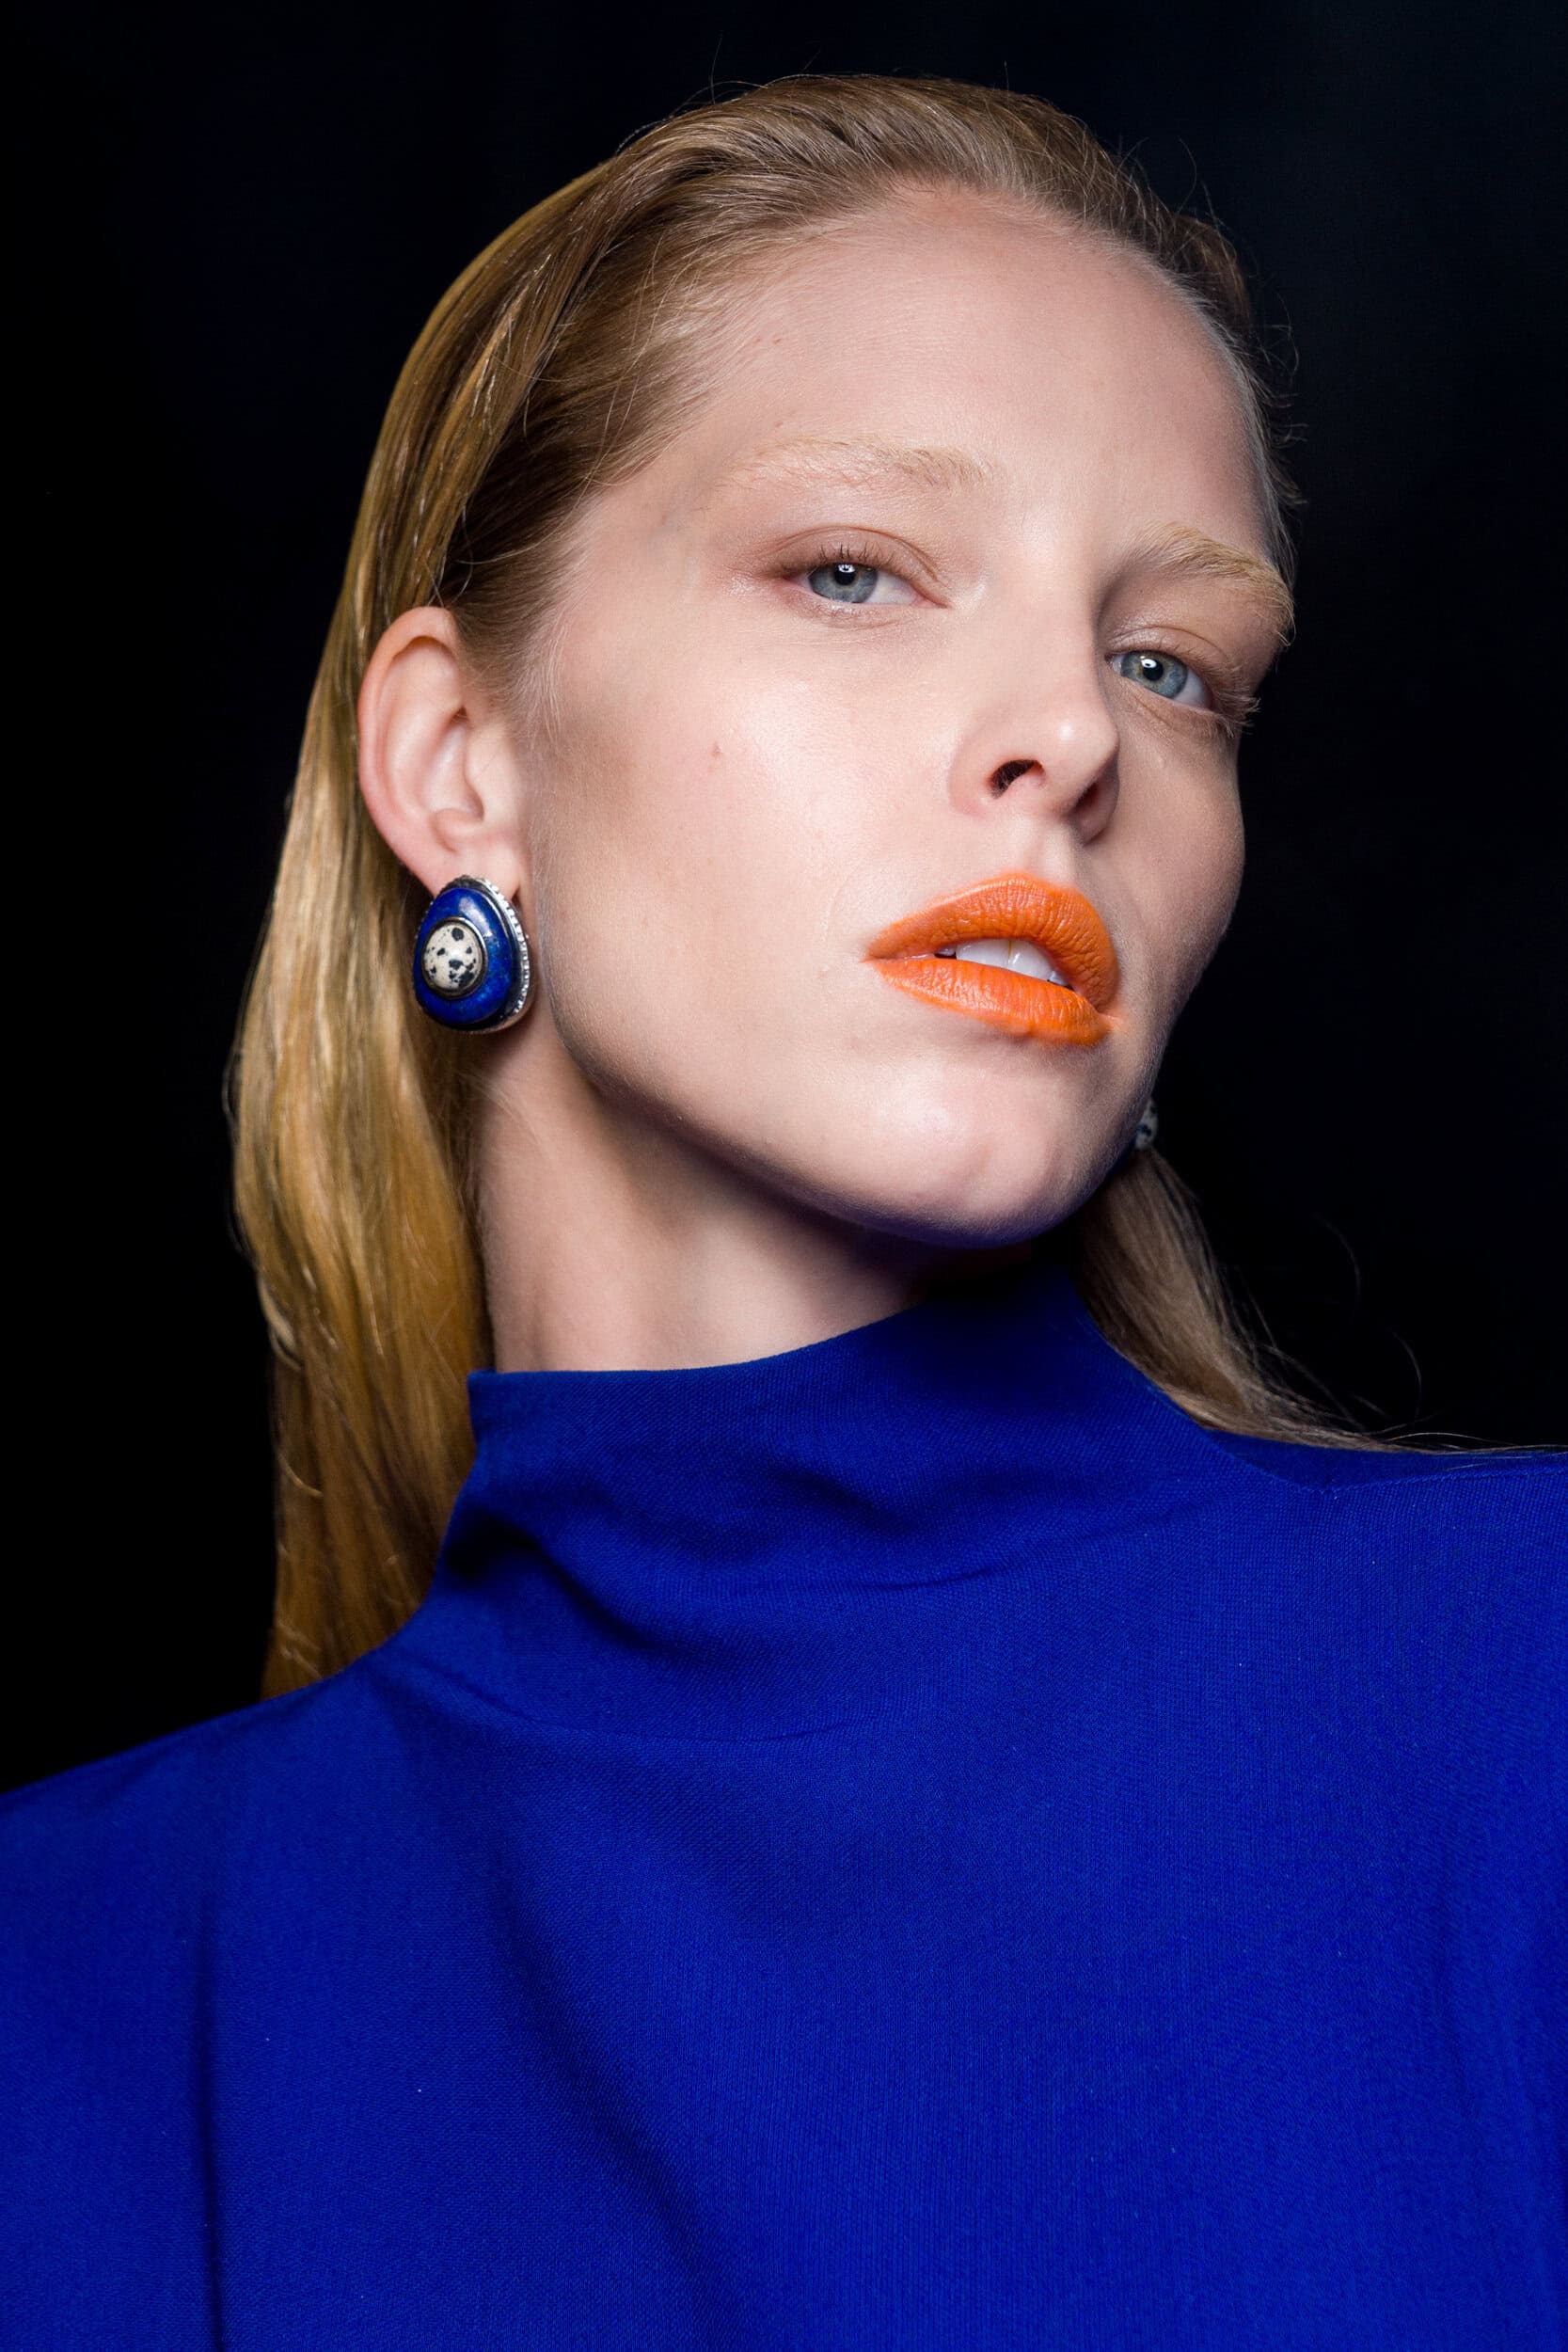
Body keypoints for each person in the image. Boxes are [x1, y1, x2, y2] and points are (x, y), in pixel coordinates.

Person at [4, 73, 1562, 2350]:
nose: (1072, 735)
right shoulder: (80, 1971)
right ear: (460, 763)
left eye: (1171, 665)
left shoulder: (1516, 1687)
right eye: (855, 570)